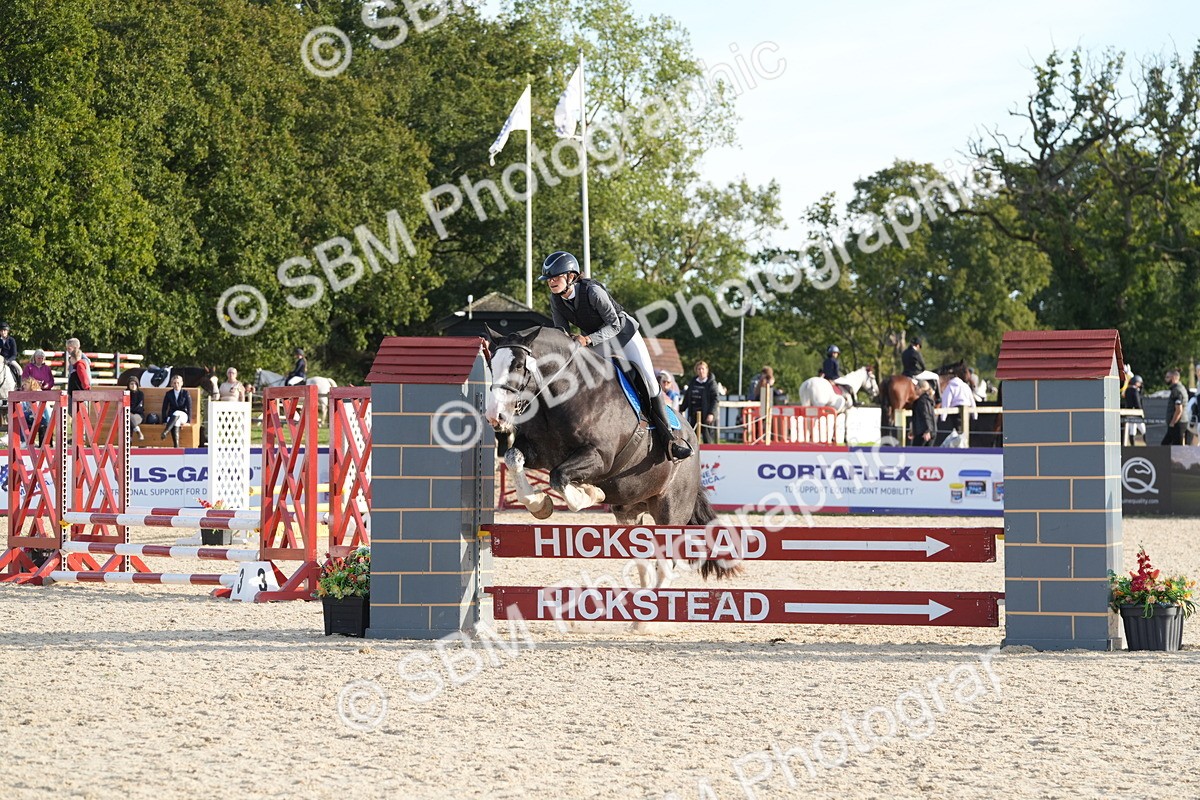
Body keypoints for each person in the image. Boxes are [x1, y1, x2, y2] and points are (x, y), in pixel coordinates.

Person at [540, 250, 692, 460]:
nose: (551, 282)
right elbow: (561, 332)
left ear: (571, 276)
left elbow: (615, 324)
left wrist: (587, 340)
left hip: (624, 336)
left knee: (649, 380)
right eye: (549, 279)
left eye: (556, 277)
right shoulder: (556, 300)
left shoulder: (592, 291)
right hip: (598, 342)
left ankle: (670, 441)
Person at [680, 360, 720, 445]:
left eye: (703, 369)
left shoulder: (711, 383)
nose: (701, 371)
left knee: (707, 439)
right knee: (692, 438)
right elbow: (687, 397)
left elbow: (715, 399)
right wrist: (681, 409)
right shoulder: (693, 382)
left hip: (706, 415)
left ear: (707, 370)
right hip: (694, 414)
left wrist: (711, 413)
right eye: (699, 369)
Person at [936, 366, 977, 445]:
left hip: (956, 412)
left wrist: (943, 417)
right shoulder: (965, 386)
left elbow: (946, 400)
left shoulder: (950, 386)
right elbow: (972, 400)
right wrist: (975, 414)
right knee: (964, 432)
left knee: (957, 433)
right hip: (967, 410)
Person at [19, 377, 52, 447]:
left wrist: (49, 422)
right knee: (21, 420)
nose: (23, 386)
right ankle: (24, 441)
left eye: (25, 384)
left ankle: (43, 444)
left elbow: (46, 410)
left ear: (30, 384)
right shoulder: (24, 395)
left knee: (43, 424)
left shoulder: (38, 393)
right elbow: (22, 408)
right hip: (30, 416)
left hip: (41, 417)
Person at [161, 374, 191, 447]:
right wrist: (164, 421)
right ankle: (176, 447)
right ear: (172, 384)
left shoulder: (185, 393)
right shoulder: (168, 394)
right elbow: (164, 408)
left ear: (181, 383)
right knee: (176, 421)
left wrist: (188, 422)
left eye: (178, 383)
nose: (176, 385)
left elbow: (189, 407)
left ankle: (166, 431)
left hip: (183, 416)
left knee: (177, 413)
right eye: (174, 383)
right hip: (172, 418)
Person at [1162, 369, 1187, 446]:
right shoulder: (1180, 388)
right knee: (1167, 446)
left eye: (1167, 377)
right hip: (1178, 422)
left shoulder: (1176, 390)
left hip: (1177, 424)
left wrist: (1172, 423)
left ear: (1173, 377)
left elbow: (1179, 410)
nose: (1166, 379)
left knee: (1171, 447)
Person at [64, 337, 91, 409]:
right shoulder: (74, 360)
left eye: (69, 348)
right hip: (75, 393)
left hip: (80, 393)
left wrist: (86, 390)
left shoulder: (81, 362)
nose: (67, 351)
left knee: (80, 413)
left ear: (75, 348)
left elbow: (84, 378)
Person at [910, 380, 936, 446]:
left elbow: (926, 415)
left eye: (916, 388)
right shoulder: (928, 400)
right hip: (927, 431)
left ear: (921, 389)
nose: (915, 390)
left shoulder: (922, 401)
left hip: (923, 432)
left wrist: (927, 430)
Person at [1123, 375, 1146, 446]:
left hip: (1129, 412)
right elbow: (1137, 402)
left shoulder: (1127, 390)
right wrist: (1140, 411)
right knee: (1143, 430)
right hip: (1136, 413)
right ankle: (1147, 443)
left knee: (1132, 430)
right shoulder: (1134, 390)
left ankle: (1132, 445)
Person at [127, 376, 146, 441]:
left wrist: (131, 412)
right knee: (128, 417)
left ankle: (129, 439)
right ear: (128, 385)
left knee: (128, 418)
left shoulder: (140, 394)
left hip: (138, 415)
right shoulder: (125, 393)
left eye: (135, 384)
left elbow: (140, 407)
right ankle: (138, 432)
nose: (133, 385)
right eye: (131, 384)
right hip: (127, 415)